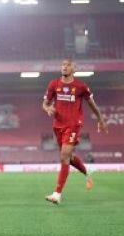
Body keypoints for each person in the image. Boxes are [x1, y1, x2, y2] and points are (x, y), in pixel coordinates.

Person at [42, 59, 108, 204]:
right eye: (63, 65)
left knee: (64, 156)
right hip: (58, 125)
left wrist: (101, 119)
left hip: (73, 124)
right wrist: (47, 108)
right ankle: (87, 172)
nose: (64, 67)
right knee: (69, 157)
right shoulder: (54, 84)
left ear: (74, 69)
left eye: (68, 65)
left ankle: (57, 194)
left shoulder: (80, 86)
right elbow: (45, 103)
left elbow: (92, 104)